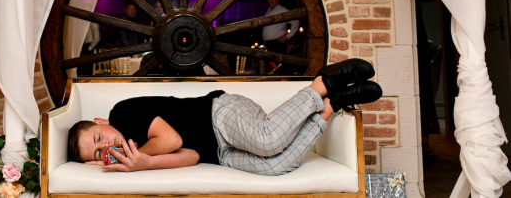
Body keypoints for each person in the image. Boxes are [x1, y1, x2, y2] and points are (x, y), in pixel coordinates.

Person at [67, 58, 382, 175]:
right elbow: (189, 155)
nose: (105, 146)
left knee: (268, 139)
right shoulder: (136, 158)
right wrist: (144, 164)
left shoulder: (122, 112)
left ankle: (321, 84)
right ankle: (333, 105)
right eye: (98, 153)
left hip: (219, 113)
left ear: (100, 123)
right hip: (219, 153)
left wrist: (138, 158)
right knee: (276, 165)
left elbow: (170, 138)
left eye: (98, 139)